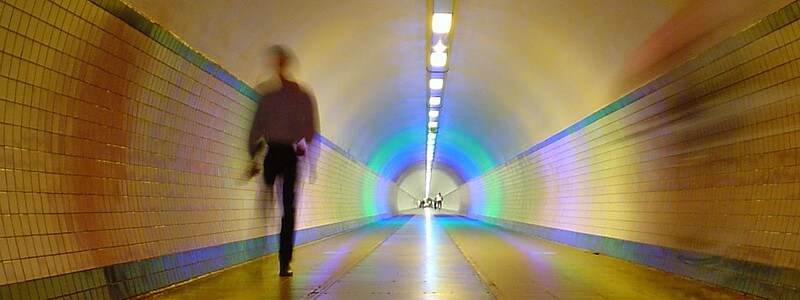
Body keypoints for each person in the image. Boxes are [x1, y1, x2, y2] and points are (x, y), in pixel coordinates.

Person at [249, 45, 319, 277]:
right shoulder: (274, 95)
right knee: (281, 205)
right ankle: (272, 253)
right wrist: (253, 157)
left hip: (287, 153)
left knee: (286, 207)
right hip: (279, 152)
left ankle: (284, 260)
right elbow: (257, 128)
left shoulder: (296, 95)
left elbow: (309, 129)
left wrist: (310, 158)